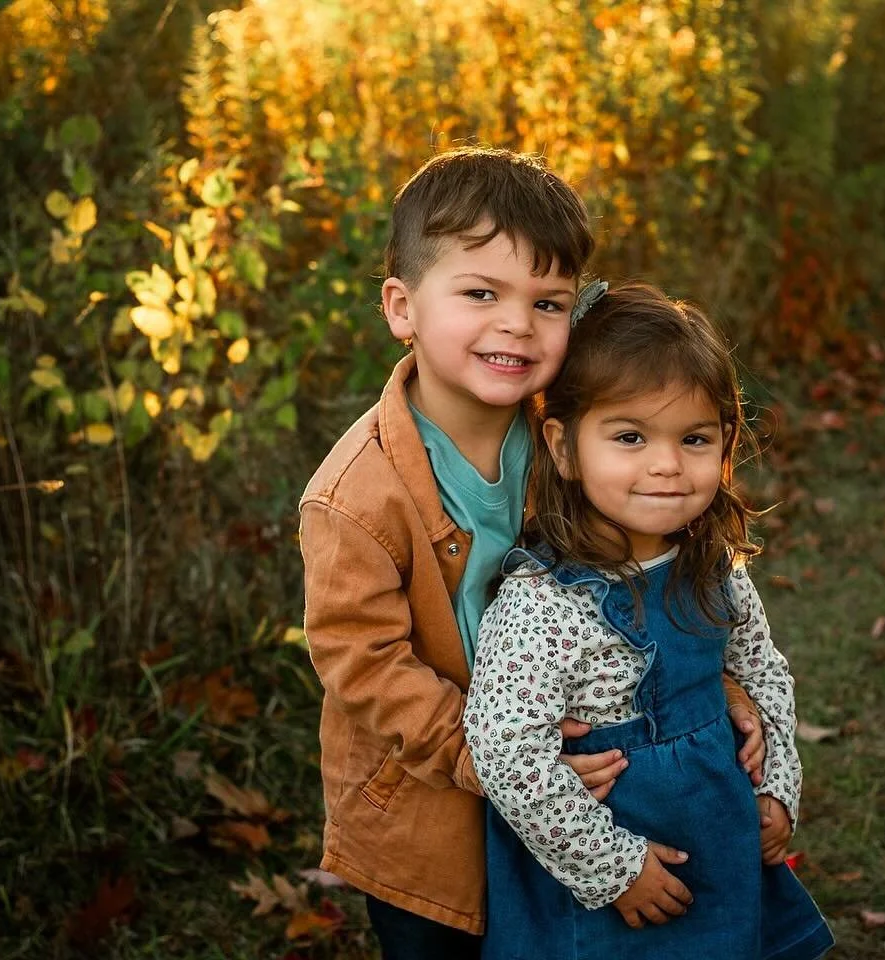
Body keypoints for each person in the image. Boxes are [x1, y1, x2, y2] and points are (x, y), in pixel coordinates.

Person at [298, 150, 767, 959]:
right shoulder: (356, 496)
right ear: (402, 308)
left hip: (568, 780)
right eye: (481, 293)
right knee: (445, 942)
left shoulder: (565, 435)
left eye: (548, 302)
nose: (517, 323)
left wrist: (698, 669)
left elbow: (627, 573)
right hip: (430, 795)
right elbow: (361, 659)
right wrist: (488, 754)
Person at [465, 282, 835, 960]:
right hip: (604, 880)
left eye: (693, 438)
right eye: (630, 437)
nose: (667, 465)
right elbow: (506, 750)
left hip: (717, 842)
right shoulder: (543, 604)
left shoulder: (710, 565)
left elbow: (762, 671)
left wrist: (779, 784)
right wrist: (614, 869)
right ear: (565, 447)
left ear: (725, 444)